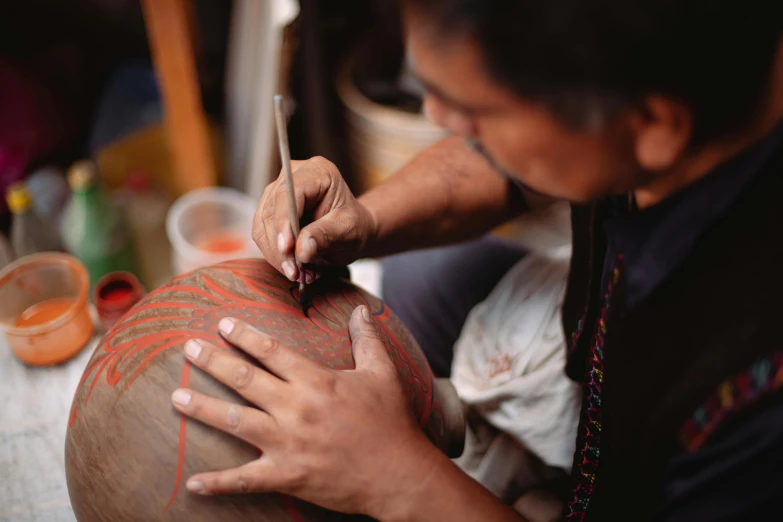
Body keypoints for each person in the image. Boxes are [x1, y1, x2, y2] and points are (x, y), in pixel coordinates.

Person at [168, 0, 783, 520]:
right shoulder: (651, 96)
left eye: (480, 115)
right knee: (418, 280)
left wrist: (397, 475)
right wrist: (368, 221)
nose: (439, 119)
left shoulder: (752, 410)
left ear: (653, 124)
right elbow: (512, 172)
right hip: (603, 337)